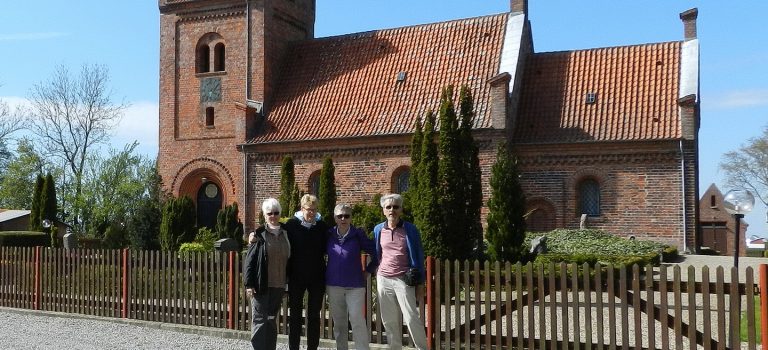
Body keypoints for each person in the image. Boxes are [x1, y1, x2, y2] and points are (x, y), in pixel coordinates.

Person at [373, 193, 428, 350]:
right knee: (389, 319)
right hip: (384, 279)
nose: (392, 210)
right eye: (388, 207)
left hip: (404, 279)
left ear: (401, 209)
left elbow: (418, 254)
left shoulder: (410, 229)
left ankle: (422, 348)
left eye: (395, 206)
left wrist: (420, 283)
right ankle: (394, 347)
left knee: (411, 317)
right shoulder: (378, 229)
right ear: (383, 210)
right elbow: (377, 253)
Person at [326, 204, 378, 350]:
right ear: (335, 218)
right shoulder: (328, 234)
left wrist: (368, 270)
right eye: (340, 216)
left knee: (357, 319)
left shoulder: (358, 234)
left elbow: (376, 253)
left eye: (346, 216)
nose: (343, 219)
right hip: (333, 284)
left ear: (351, 218)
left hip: (355, 285)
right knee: (339, 322)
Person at [243, 198, 290, 350]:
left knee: (271, 319)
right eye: (270, 213)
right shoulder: (258, 235)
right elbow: (250, 261)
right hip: (261, 284)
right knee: (259, 320)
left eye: (276, 213)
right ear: (265, 215)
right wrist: (249, 284)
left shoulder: (287, 233)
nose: (273, 216)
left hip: (279, 284)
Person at [284, 194, 329, 350]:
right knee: (295, 316)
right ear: (302, 208)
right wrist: (254, 235)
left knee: (314, 316)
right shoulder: (291, 225)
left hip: (317, 277)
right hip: (296, 276)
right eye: (309, 210)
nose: (312, 213)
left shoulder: (321, 226)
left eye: (314, 210)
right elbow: (274, 230)